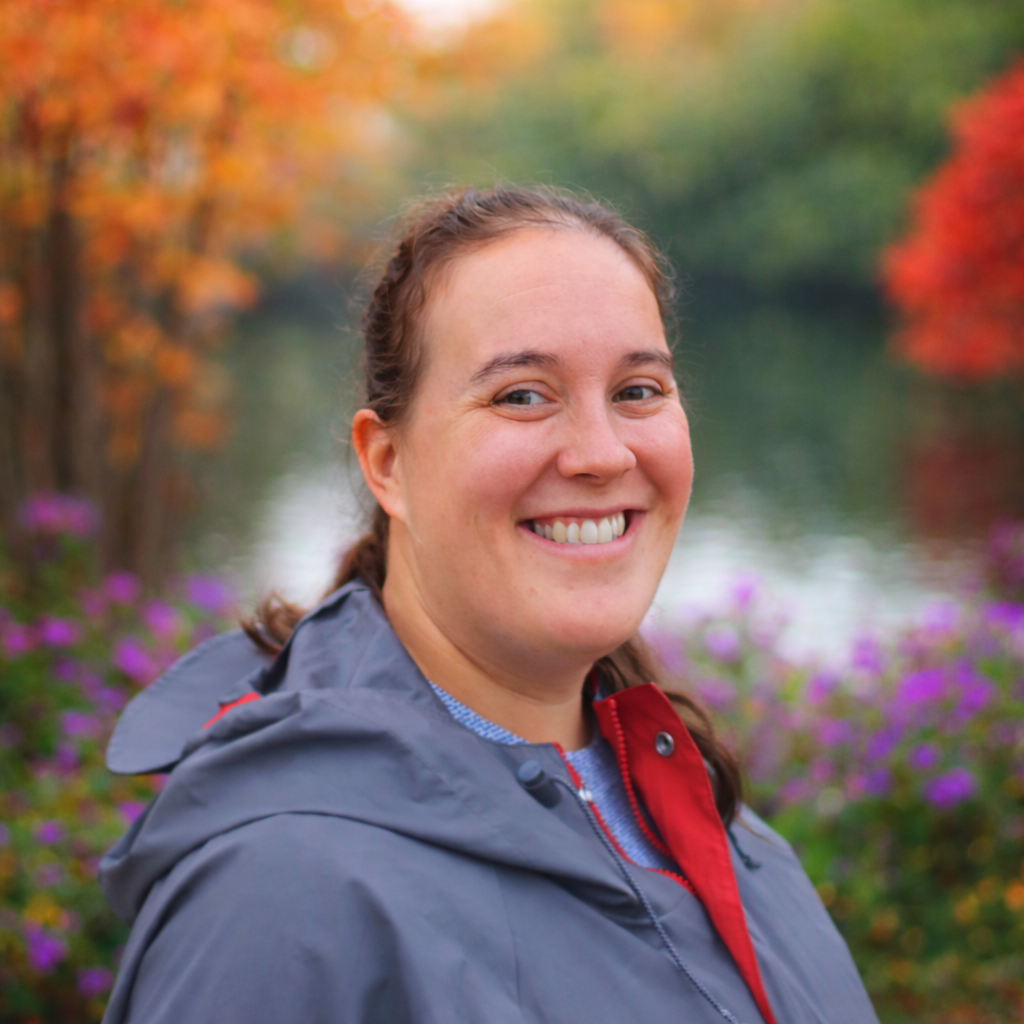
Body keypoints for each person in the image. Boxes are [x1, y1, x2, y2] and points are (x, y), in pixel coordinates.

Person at [100, 186, 878, 1024]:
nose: (600, 452)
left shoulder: (703, 816)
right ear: (388, 462)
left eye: (638, 390)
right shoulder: (279, 900)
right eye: (522, 395)